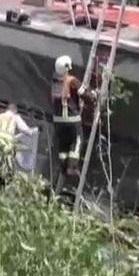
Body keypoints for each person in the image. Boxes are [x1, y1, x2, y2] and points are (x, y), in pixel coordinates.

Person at [50, 55, 87, 185]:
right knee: (77, 140)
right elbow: (84, 93)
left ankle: (64, 167)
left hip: (58, 121)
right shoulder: (71, 81)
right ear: (67, 67)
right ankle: (72, 166)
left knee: (63, 144)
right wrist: (94, 96)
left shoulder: (54, 82)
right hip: (72, 119)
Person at [0, 102, 37, 174]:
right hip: (5, 147)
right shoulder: (15, 117)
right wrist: (34, 131)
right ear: (15, 110)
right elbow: (26, 130)